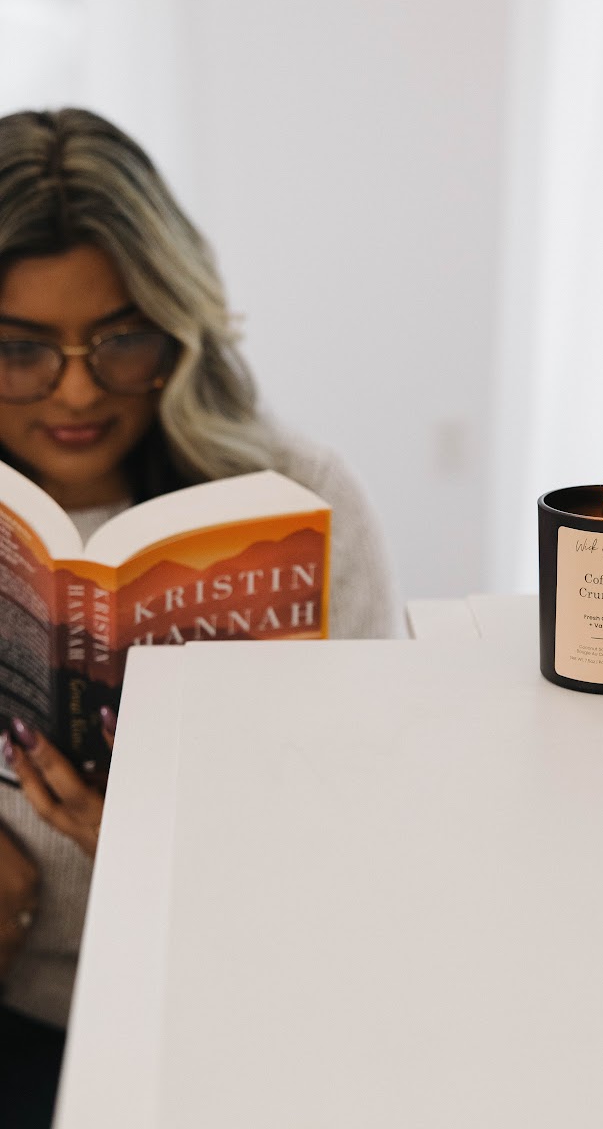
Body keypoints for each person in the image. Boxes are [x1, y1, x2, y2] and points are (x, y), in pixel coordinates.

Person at [0, 108, 399, 1125]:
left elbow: (370, 821)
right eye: (21, 350)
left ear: (180, 325)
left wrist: (166, 846)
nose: (78, 389)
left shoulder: (302, 498)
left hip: (237, 996)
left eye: (123, 338)